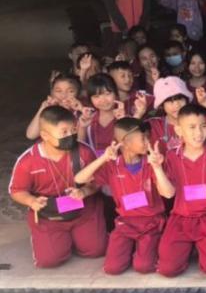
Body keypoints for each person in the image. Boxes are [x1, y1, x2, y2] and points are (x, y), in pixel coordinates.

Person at [9, 105, 107, 268]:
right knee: (49, 260)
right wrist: (32, 201)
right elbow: (17, 191)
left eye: (73, 130)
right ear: (45, 135)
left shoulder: (83, 151)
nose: (70, 135)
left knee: (96, 250)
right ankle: (59, 240)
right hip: (50, 215)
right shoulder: (29, 160)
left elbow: (98, 180)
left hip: (83, 210)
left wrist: (84, 191)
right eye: (64, 132)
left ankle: (77, 237)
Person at [73, 118, 175, 274]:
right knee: (112, 268)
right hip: (125, 223)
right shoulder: (112, 165)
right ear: (125, 143)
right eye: (143, 139)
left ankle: (146, 248)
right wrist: (104, 158)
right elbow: (79, 179)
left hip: (151, 222)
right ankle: (136, 248)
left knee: (143, 266)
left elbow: (168, 193)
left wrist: (157, 167)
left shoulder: (151, 162)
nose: (148, 142)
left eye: (148, 138)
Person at [156, 104, 206, 277]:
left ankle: (203, 246)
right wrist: (157, 168)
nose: (199, 132)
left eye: (203, 126)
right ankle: (192, 247)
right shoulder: (172, 155)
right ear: (179, 130)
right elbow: (168, 193)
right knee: (168, 269)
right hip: (181, 217)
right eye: (192, 127)